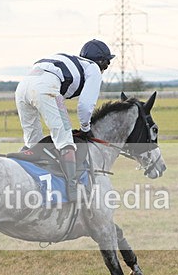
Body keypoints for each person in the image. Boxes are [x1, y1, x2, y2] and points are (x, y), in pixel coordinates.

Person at [15, 39, 115, 200]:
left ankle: (25, 177)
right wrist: (85, 128)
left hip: (22, 87)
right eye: (107, 63)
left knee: (33, 142)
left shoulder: (71, 60)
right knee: (65, 138)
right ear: (101, 61)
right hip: (47, 88)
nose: (106, 68)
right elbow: (86, 105)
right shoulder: (93, 69)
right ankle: (73, 187)